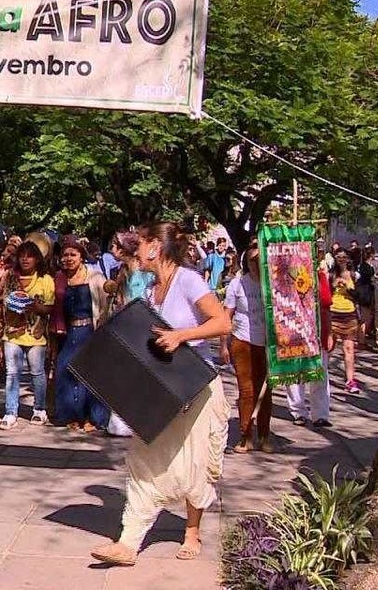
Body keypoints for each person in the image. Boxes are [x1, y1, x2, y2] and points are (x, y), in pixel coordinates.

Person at [90, 222, 230, 567]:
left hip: (196, 385)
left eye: (140, 243)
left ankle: (192, 532)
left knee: (197, 461)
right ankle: (128, 542)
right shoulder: (152, 289)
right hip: (162, 386)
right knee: (144, 456)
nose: (135, 249)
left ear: (155, 246)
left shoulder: (189, 279)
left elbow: (222, 322)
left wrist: (182, 335)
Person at [51, 237, 110, 433]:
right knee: (65, 370)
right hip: (68, 333)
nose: (68, 259)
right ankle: (72, 415)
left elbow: (104, 304)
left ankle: (93, 418)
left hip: (90, 331)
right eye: (65, 255)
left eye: (73, 255)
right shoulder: (59, 279)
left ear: (81, 256)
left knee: (90, 374)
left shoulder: (95, 277)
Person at [0, 241, 55, 429]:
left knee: (37, 373)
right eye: (22, 255)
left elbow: (50, 308)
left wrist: (36, 307)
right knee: (12, 373)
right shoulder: (9, 277)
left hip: (36, 334)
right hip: (12, 334)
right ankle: (10, 411)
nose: (25, 259)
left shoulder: (45, 279)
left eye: (29, 255)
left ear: (37, 259)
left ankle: (39, 409)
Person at [220, 246, 271, 452]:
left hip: (267, 344)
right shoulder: (237, 284)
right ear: (246, 263)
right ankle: (246, 436)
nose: (256, 264)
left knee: (266, 391)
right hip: (242, 341)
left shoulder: (273, 284)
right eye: (252, 260)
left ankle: (265, 437)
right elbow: (226, 315)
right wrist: (223, 344)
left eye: (259, 260)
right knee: (247, 390)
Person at [286, 266, 334, 428]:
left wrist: (329, 333)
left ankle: (320, 414)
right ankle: (298, 411)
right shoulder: (288, 274)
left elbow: (326, 305)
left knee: (320, 373)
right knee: (296, 373)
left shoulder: (320, 276)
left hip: (318, 333)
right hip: (296, 332)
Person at [327, 253, 362, 395]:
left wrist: (349, 287)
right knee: (329, 346)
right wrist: (333, 286)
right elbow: (324, 294)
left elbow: (361, 296)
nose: (341, 259)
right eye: (338, 256)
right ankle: (323, 375)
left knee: (349, 348)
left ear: (348, 259)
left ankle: (350, 380)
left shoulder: (355, 275)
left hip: (349, 314)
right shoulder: (330, 275)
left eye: (344, 256)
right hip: (333, 313)